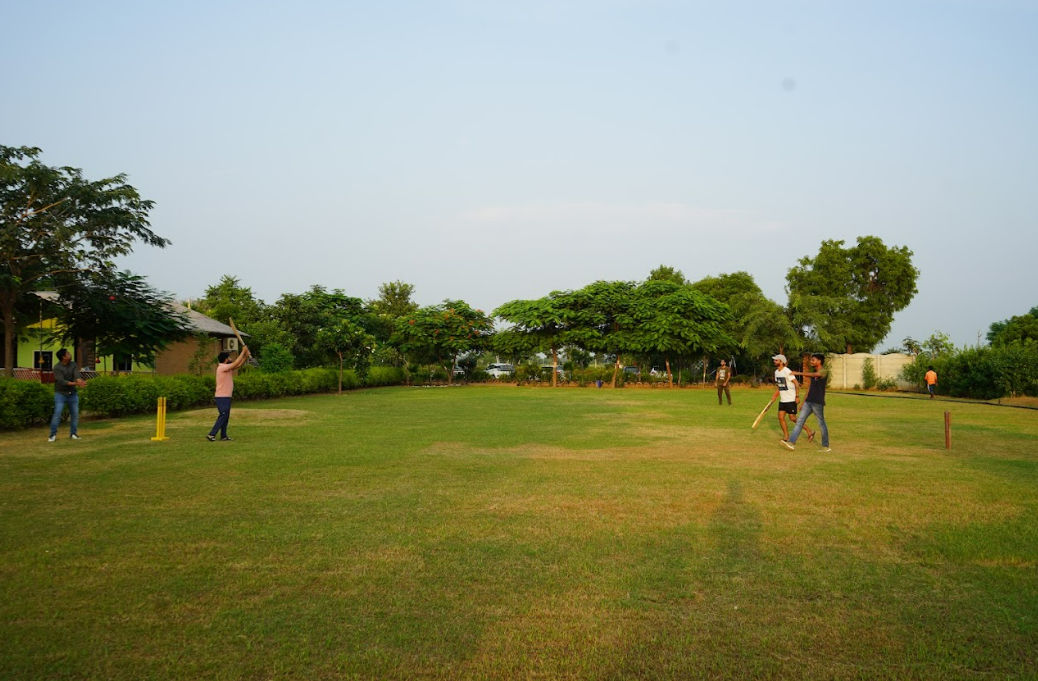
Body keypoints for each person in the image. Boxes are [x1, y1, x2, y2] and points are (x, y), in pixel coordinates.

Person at [782, 353, 831, 452]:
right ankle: (791, 443)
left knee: (821, 423)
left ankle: (825, 446)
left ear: (819, 361)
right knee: (799, 421)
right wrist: (803, 402)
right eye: (811, 360)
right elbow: (809, 389)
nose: (811, 361)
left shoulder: (824, 371)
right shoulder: (814, 373)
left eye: (813, 360)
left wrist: (798, 373)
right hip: (808, 402)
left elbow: (816, 374)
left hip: (818, 402)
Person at [207, 345, 250, 441]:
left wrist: (245, 356)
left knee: (226, 416)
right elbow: (235, 363)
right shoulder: (221, 367)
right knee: (223, 415)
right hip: (221, 396)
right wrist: (243, 352)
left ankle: (223, 435)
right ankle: (211, 434)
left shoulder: (227, 367)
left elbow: (238, 365)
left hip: (226, 396)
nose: (230, 358)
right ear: (226, 359)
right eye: (229, 357)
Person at [772, 353, 812, 444]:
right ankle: (786, 436)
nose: (774, 361)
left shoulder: (787, 371)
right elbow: (780, 386)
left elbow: (796, 383)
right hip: (783, 399)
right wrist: (775, 395)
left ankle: (809, 430)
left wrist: (797, 396)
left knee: (793, 418)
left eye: (776, 360)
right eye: (774, 360)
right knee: (781, 417)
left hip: (790, 399)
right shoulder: (776, 372)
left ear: (781, 362)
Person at [49, 348, 87, 442]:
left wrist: (80, 381)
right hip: (60, 394)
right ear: (63, 357)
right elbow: (62, 381)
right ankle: (52, 435)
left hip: (72, 394)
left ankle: (73, 434)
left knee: (75, 414)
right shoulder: (57, 367)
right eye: (68, 353)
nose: (70, 354)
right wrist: (76, 384)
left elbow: (76, 375)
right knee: (57, 413)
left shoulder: (73, 364)